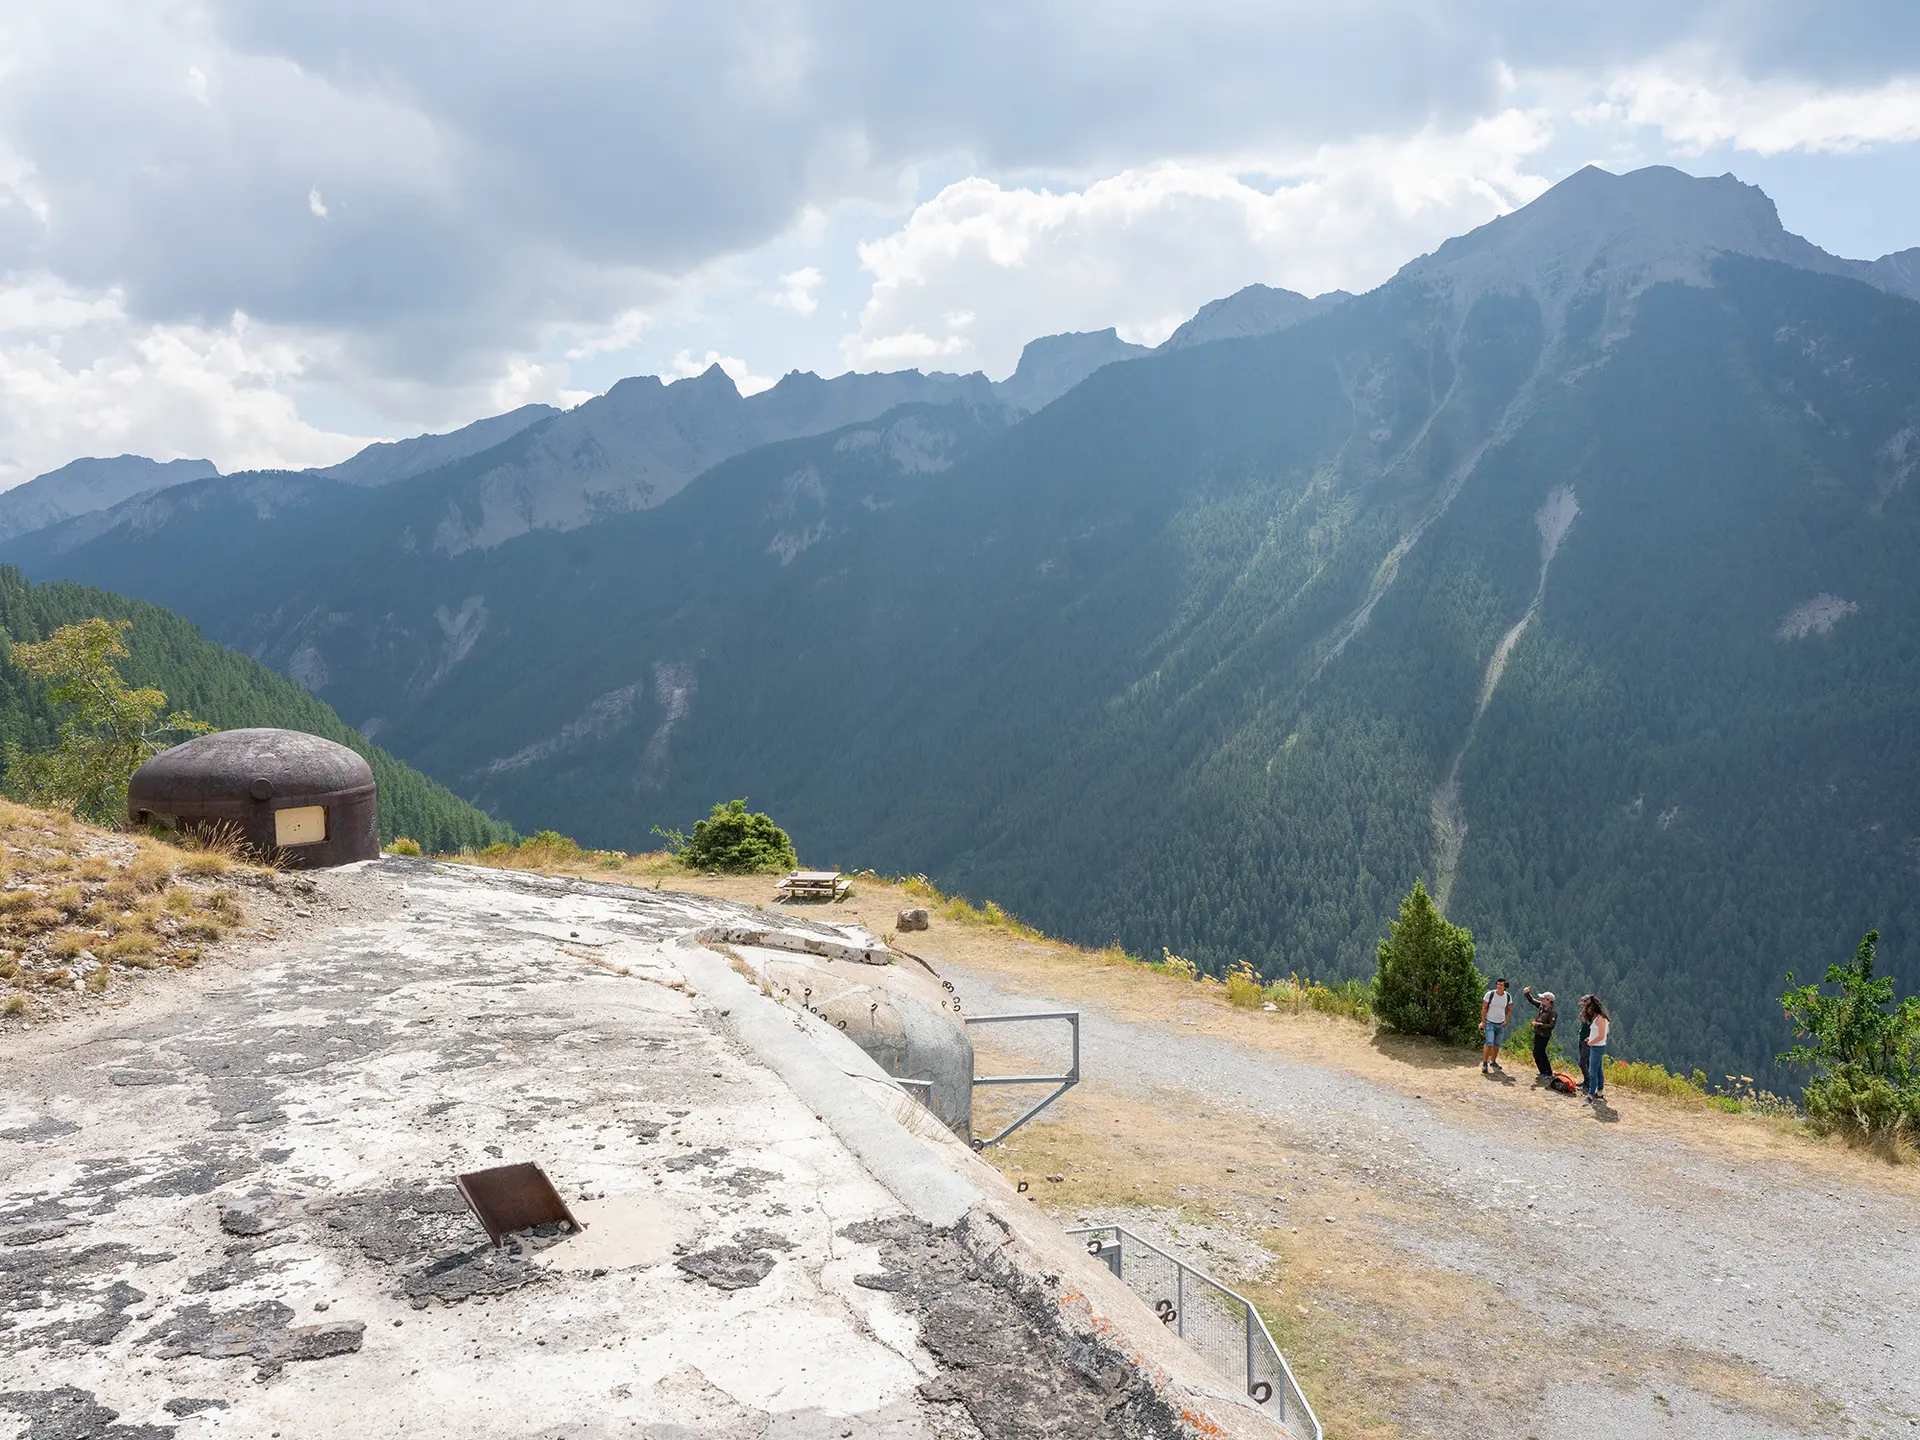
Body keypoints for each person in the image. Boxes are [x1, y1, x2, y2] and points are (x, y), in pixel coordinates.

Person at [1520, 986, 1556, 1081]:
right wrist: (1526, 993)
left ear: (1549, 1000)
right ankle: (1542, 1071)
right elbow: (1532, 1001)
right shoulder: (1541, 1006)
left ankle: (1547, 1072)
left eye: (1543, 999)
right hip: (1538, 1033)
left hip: (1544, 1035)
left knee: (1540, 1053)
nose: (1541, 1000)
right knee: (1537, 1053)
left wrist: (1539, 1024)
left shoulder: (1552, 1012)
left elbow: (1551, 1025)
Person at [1480, 978, 1515, 1075]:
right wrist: (1483, 1022)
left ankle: (1493, 1061)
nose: (1499, 986)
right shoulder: (1490, 994)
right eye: (1498, 984)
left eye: (1501, 985)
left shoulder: (1508, 997)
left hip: (1500, 1023)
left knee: (1497, 1044)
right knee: (1489, 1042)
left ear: (1505, 987)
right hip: (1489, 1022)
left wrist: (1506, 1021)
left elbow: (1509, 1010)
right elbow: (1484, 1008)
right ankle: (1485, 1063)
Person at [1584, 997, 1611, 1103]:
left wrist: (1591, 1042)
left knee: (1592, 1072)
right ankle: (1599, 1091)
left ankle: (1591, 1093)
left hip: (1597, 1047)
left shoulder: (1600, 1019)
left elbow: (1601, 1035)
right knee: (1598, 1070)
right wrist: (1590, 1038)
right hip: (1597, 1046)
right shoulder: (1599, 1018)